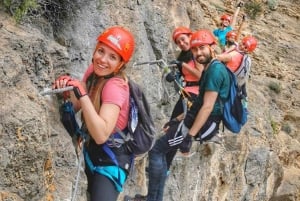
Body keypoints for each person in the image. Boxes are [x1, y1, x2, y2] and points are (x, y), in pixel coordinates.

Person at [53, 26, 135, 201]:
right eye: (101, 51)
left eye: (112, 57)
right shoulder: (94, 71)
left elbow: (101, 134)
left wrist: (81, 95)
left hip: (110, 161)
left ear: (121, 64)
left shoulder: (116, 87)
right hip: (92, 150)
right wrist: (66, 89)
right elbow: (76, 106)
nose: (103, 60)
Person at [126, 26, 203, 201]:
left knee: (158, 150)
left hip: (191, 103)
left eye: (184, 39)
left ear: (191, 37)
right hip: (184, 100)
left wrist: (183, 66)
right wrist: (175, 76)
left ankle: (152, 198)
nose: (182, 43)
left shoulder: (196, 54)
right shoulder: (185, 56)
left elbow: (201, 76)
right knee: (166, 153)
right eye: (178, 42)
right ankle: (153, 197)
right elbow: (186, 81)